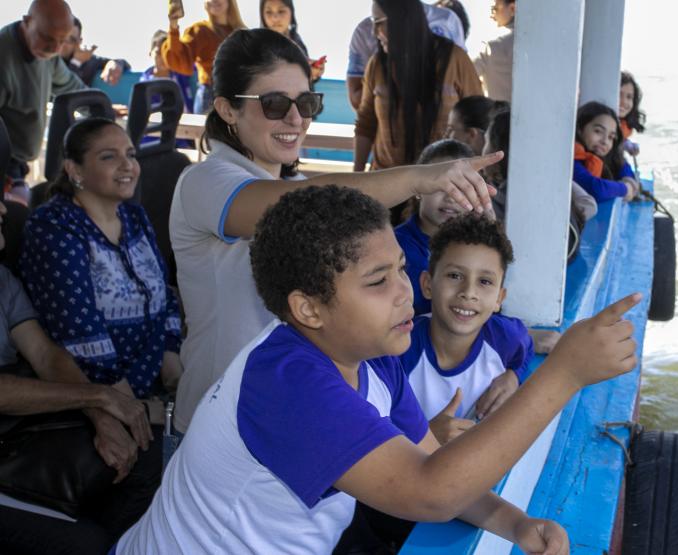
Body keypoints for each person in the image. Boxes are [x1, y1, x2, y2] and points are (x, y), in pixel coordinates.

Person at [114, 184, 642, 555]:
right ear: (308, 309)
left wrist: (514, 522)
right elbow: (428, 490)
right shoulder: (288, 383)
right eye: (377, 281)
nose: (404, 291)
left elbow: (434, 462)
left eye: (401, 269)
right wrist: (562, 376)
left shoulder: (374, 356)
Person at [168, 28, 500, 434]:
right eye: (274, 104)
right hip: (221, 425)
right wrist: (420, 178)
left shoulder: (293, 185)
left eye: (306, 102)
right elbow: (299, 207)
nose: (296, 119)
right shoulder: (204, 183)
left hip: (294, 417)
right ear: (227, 109)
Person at [0, 201, 159, 555]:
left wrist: (101, 415)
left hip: (15, 439)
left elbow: (45, 354)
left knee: (148, 458)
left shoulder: (3, 281)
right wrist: (98, 397)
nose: (3, 209)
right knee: (85, 543)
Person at [20, 118, 183, 404]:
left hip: (153, 389)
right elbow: (79, 330)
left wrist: (175, 379)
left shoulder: (134, 217)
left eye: (131, 154)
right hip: (94, 397)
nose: (127, 165)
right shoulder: (53, 227)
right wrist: (132, 408)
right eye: (109, 157)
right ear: (75, 170)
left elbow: (165, 297)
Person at [403, 212, 533, 445]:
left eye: (485, 281)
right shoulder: (401, 350)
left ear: (499, 299)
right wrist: (426, 437)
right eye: (455, 276)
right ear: (427, 285)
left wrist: (513, 376)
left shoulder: (505, 337)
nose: (469, 292)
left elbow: (525, 345)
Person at [354, 0, 483, 175]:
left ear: (404, 19)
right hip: (386, 182)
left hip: (443, 182)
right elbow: (365, 124)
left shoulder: (454, 60)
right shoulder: (376, 64)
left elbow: (479, 120)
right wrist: (356, 177)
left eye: (379, 23)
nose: (374, 32)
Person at [0, 0, 85, 200]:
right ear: (27, 22)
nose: (55, 48)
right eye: (47, 38)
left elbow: (71, 86)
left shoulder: (48, 54)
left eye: (63, 40)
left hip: (19, 163)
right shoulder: (3, 57)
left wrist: (97, 105)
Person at [396, 139, 473, 316]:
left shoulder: (477, 247)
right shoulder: (395, 245)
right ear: (418, 189)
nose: (451, 197)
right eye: (441, 185)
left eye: (462, 188)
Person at [346, 1, 466, 111]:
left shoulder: (447, 20)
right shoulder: (365, 31)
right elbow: (356, 99)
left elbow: (463, 86)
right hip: (387, 125)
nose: (375, 32)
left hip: (441, 124)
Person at [162, 0, 246, 114]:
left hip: (238, 96)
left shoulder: (242, 33)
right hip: (210, 96)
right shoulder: (200, 30)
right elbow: (178, 58)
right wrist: (173, 24)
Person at [573, 101, 639, 203]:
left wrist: (629, 181)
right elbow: (596, 189)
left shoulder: (605, 157)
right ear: (580, 129)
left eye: (610, 137)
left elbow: (622, 166)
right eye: (598, 131)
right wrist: (625, 189)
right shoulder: (572, 161)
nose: (605, 141)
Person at [260, 0, 325, 81]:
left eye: (281, 11)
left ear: (291, 12)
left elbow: (305, 76)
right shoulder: (258, 44)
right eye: (269, 12)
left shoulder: (296, 39)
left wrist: (313, 72)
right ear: (262, 15)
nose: (275, 18)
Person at [59, 17, 130, 87]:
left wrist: (114, 64)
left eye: (71, 39)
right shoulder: (51, 61)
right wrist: (76, 62)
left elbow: (122, 63)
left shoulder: (87, 61)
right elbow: (61, 88)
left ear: (79, 42)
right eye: (61, 37)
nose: (63, 43)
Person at [140, 30, 195, 113]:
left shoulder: (181, 73)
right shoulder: (145, 84)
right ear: (150, 53)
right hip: (160, 121)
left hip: (188, 119)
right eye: (159, 53)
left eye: (167, 53)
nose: (163, 58)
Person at [473, 0, 516, 102]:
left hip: (497, 110)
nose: (492, 16)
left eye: (494, 9)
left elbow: (467, 75)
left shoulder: (491, 44)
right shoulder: (538, 41)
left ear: (512, 9)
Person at [619, 70, 646, 156]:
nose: (624, 102)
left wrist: (626, 142)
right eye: (619, 95)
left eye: (629, 97)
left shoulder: (624, 125)